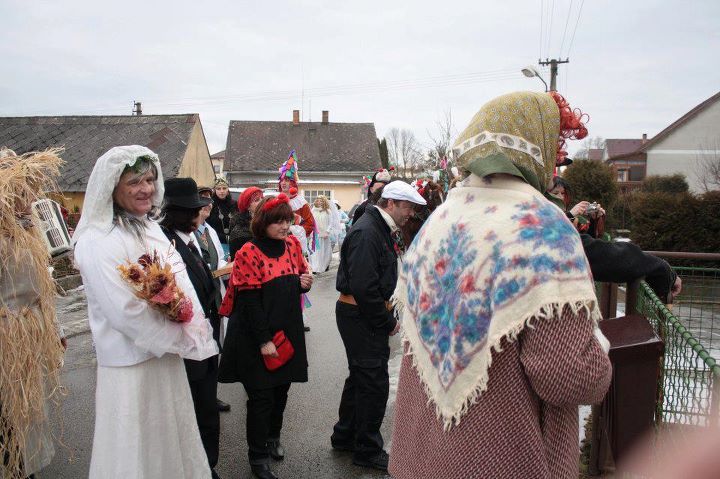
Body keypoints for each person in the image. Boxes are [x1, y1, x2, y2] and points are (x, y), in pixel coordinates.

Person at [388, 91, 613, 479]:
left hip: (419, 458)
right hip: (497, 458)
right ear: (538, 147)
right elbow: (569, 377)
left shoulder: (438, 222)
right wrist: (601, 348)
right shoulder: (541, 227)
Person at [73, 146, 218, 478]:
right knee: (135, 446)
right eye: (135, 182)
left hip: (164, 358)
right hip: (131, 363)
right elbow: (123, 311)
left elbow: (179, 278)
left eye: (150, 179)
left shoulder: (148, 227)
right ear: (113, 187)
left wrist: (189, 320)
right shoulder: (97, 240)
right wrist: (178, 336)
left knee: (171, 440)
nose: (146, 189)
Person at [332, 180, 427, 472]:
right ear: (391, 203)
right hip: (361, 314)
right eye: (408, 207)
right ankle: (367, 450)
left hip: (362, 313)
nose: (410, 213)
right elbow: (364, 285)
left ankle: (345, 435)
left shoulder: (376, 227)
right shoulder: (368, 231)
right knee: (373, 382)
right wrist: (386, 321)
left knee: (361, 377)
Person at [217, 194, 313, 479]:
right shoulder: (249, 251)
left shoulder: (293, 245)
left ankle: (273, 437)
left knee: (281, 390)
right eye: (278, 221)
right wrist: (264, 341)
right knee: (261, 398)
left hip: (288, 328)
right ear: (264, 222)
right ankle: (257, 457)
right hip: (256, 334)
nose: (285, 226)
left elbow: (299, 278)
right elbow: (249, 301)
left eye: (287, 220)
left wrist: (303, 285)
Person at [0, 148, 66, 479]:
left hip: (28, 338)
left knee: (26, 413)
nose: (29, 200)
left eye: (31, 193)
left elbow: (43, 291)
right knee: (7, 417)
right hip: (6, 342)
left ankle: (24, 469)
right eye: (21, 193)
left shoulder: (28, 235)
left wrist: (55, 330)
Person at [159, 178, 223, 478]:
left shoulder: (189, 239)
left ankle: (207, 465)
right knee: (196, 412)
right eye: (196, 210)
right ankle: (200, 468)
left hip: (206, 338)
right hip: (188, 347)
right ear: (183, 214)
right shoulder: (167, 244)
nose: (201, 215)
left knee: (207, 411)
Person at [278, 151, 315, 240]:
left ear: (293, 183)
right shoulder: (276, 200)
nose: (283, 183)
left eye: (287, 180)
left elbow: (310, 224)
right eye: (282, 180)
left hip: (296, 242)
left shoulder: (301, 202)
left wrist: (294, 231)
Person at [228, 186, 263, 259]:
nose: (261, 202)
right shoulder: (240, 231)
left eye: (262, 198)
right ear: (248, 206)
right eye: (257, 200)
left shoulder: (268, 223)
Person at [206, 177, 236, 257]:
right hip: (216, 244)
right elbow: (207, 226)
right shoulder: (210, 205)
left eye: (224, 188)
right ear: (214, 190)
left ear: (228, 189)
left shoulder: (234, 204)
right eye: (218, 189)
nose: (222, 191)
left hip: (233, 244)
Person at [310, 196, 333, 273]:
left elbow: (331, 223)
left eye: (321, 201)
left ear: (324, 202)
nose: (319, 202)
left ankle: (324, 265)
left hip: (324, 235)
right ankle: (315, 268)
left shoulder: (328, 211)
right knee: (315, 252)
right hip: (315, 235)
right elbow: (311, 221)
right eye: (318, 201)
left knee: (324, 251)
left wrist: (327, 231)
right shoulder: (313, 210)